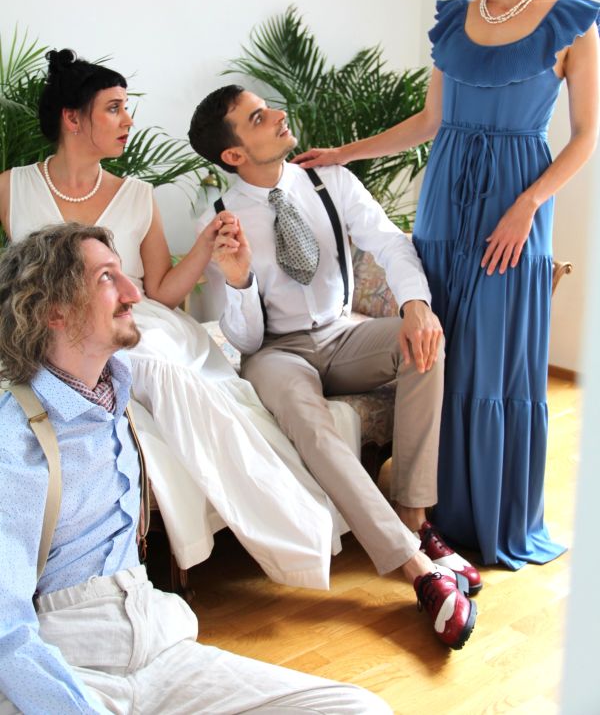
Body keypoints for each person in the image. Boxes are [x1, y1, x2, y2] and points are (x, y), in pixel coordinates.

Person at [293, 0, 600, 569]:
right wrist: (345, 152)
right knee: (440, 353)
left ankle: (493, 517)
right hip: (444, 208)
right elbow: (429, 122)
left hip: (513, 211)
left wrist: (528, 206)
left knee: (493, 360)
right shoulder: (455, 22)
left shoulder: (570, 25)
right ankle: (431, 516)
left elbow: (586, 137)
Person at [0, 222, 392, 715]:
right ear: (53, 311)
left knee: (358, 709)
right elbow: (6, 630)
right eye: (106, 279)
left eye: (124, 275)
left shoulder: (118, 394)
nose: (133, 294)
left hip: (161, 645)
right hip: (69, 660)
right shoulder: (14, 438)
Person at [0, 48, 352, 592]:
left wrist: (208, 245)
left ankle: (293, 527)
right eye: (113, 108)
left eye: (126, 107)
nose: (128, 119)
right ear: (73, 118)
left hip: (135, 320)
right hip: (49, 329)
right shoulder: (11, 186)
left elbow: (161, 290)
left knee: (164, 371)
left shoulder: (138, 196)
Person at [189, 83, 480, 651]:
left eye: (269, 106)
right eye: (258, 117)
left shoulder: (330, 181)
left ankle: (414, 515)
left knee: (425, 344)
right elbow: (242, 337)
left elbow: (390, 244)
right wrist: (241, 280)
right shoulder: (217, 219)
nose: (279, 114)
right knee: (310, 421)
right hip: (276, 352)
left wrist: (415, 306)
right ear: (233, 153)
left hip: (342, 332)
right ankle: (416, 567)